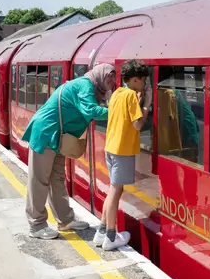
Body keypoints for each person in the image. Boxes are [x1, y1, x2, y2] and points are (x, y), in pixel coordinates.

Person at [20, 63, 115, 240]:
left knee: (56, 178)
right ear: (100, 75)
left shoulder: (90, 87)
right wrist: (118, 111)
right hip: (47, 133)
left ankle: (65, 220)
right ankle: (36, 225)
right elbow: (91, 110)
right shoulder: (86, 85)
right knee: (39, 179)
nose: (112, 81)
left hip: (58, 137)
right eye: (109, 76)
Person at [93, 60, 151, 250]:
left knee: (112, 189)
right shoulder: (132, 96)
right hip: (122, 151)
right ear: (135, 80)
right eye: (144, 80)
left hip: (111, 147)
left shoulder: (117, 93)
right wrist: (147, 105)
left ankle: (101, 232)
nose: (145, 84)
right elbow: (138, 125)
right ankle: (110, 236)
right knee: (115, 192)